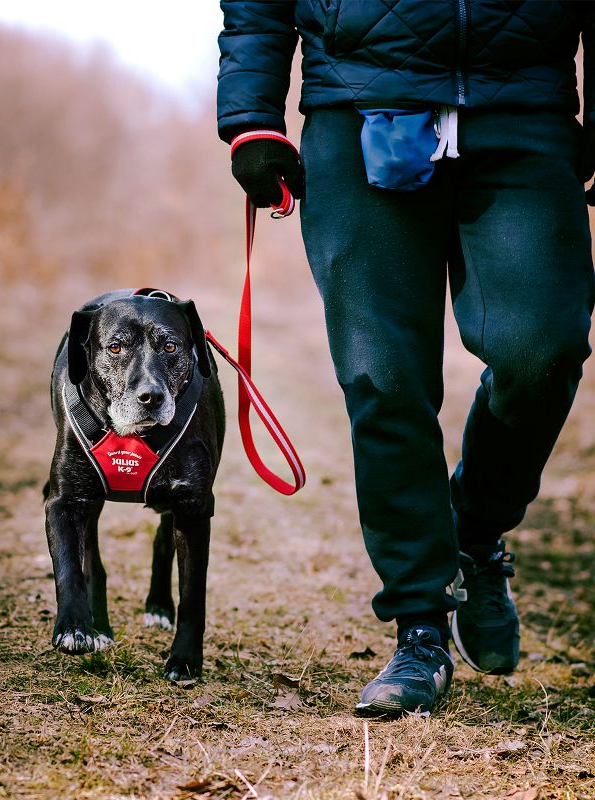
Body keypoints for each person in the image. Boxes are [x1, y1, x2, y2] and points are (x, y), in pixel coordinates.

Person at [217, 0, 595, 716]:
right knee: (382, 376)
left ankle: (476, 532)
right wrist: (250, 120)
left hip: (523, 111)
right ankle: (420, 626)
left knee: (542, 351)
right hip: (360, 105)